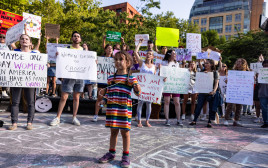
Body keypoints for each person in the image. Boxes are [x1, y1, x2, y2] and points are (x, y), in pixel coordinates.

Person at [98, 51, 141, 168]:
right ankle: (111, 153)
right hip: (112, 109)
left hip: (124, 109)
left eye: (120, 59)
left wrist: (137, 88)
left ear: (128, 63)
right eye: (116, 60)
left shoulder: (131, 79)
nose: (117, 62)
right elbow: (109, 91)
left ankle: (126, 156)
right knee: (113, 132)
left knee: (125, 133)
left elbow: (138, 93)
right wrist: (104, 100)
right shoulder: (111, 78)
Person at [50, 31, 85, 126]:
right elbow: (60, 61)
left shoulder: (84, 51)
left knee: (76, 97)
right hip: (68, 76)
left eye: (78, 36)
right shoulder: (66, 49)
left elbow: (87, 62)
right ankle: (58, 117)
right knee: (64, 97)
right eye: (74, 36)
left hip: (79, 76)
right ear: (72, 38)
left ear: (80, 39)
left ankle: (74, 117)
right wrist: (58, 56)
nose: (76, 37)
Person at [8, 34, 36, 130]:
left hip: (30, 80)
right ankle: (14, 123)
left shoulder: (35, 54)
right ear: (19, 42)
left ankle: (29, 123)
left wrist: (46, 64)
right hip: (17, 80)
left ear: (30, 42)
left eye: (26, 39)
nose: (24, 40)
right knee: (15, 102)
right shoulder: (14, 52)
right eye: (22, 39)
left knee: (31, 102)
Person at [189, 59, 219, 128]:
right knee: (199, 106)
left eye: (207, 63)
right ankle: (194, 120)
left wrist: (214, 91)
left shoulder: (215, 72)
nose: (205, 65)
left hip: (211, 92)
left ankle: (209, 122)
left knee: (211, 107)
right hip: (202, 92)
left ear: (211, 64)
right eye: (205, 63)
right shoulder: (202, 71)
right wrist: (203, 75)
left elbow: (216, 83)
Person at [134, 39, 156, 127]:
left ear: (152, 57)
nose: (148, 55)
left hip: (150, 88)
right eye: (147, 54)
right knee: (140, 103)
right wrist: (139, 43)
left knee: (149, 104)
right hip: (141, 87)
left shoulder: (154, 66)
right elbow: (136, 52)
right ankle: (139, 121)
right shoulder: (141, 63)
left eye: (150, 54)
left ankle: (147, 121)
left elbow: (156, 78)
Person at [224, 58, 250, 126]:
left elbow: (249, 82)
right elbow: (227, 81)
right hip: (233, 91)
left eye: (240, 62)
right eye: (237, 62)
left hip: (241, 92)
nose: (238, 63)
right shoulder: (233, 72)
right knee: (230, 105)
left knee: (239, 107)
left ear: (243, 63)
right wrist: (227, 80)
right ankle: (226, 119)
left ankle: (236, 120)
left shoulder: (247, 72)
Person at [160, 49, 183, 126]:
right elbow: (160, 73)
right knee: (167, 102)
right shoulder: (163, 63)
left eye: (175, 53)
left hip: (175, 84)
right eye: (173, 53)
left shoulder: (177, 64)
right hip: (167, 85)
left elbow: (179, 73)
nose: (175, 55)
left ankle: (179, 119)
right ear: (169, 54)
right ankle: (167, 119)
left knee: (177, 102)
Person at [93, 42, 113, 122]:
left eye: (111, 49)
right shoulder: (100, 59)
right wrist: (96, 63)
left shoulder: (115, 60)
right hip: (102, 81)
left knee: (111, 100)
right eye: (108, 48)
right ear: (105, 50)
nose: (110, 50)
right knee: (99, 98)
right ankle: (96, 115)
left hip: (111, 82)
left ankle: (110, 115)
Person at [258, 60, 268, 128]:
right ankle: (266, 122)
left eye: (267, 65)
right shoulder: (259, 73)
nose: (266, 66)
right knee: (264, 109)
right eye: (264, 65)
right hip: (262, 93)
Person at [0, 34, 10, 98]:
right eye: (0, 37)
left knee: (4, 77)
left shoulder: (8, 45)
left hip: (5, 65)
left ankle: (4, 91)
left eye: (4, 37)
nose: (2, 38)